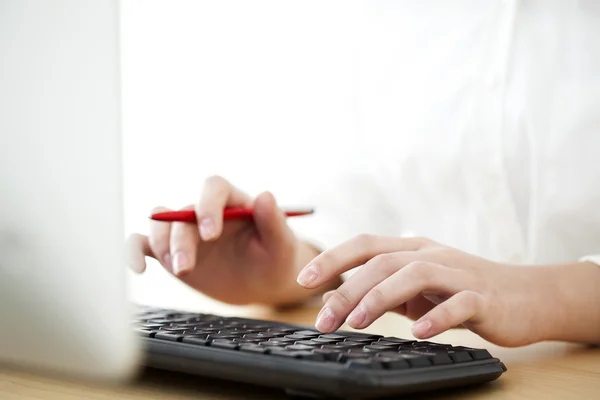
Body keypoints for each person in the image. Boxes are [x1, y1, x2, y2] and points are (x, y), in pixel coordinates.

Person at [126, 1, 600, 347]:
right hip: (462, 373)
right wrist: (290, 269)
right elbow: (349, 215)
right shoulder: (389, 21)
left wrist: (537, 293)